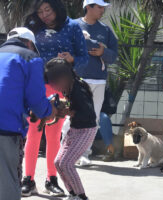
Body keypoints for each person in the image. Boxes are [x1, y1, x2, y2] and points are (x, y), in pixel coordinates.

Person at [22, 0, 88, 197]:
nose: (44, 15)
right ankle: (28, 179)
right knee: (33, 131)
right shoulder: (34, 26)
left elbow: (84, 59)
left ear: (56, 8)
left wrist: (71, 60)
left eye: (47, 10)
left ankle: (52, 179)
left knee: (53, 134)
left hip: (61, 86)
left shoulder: (73, 27)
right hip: (36, 85)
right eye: (40, 11)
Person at [0, 27, 57, 200]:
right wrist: (50, 110)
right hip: (7, 127)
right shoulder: (30, 57)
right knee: (9, 181)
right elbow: (36, 100)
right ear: (30, 43)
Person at [45, 58, 97, 200]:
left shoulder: (78, 90)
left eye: (55, 81)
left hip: (86, 130)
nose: (54, 85)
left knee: (66, 163)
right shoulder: (71, 87)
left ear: (63, 77)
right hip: (76, 128)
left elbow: (88, 114)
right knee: (58, 163)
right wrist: (66, 110)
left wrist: (67, 112)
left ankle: (81, 196)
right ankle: (73, 193)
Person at [74, 0, 118, 165]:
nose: (102, 11)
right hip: (77, 79)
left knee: (93, 119)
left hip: (99, 81)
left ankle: (85, 153)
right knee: (71, 116)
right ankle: (68, 151)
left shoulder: (105, 30)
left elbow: (114, 55)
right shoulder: (73, 26)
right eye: (99, 7)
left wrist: (103, 52)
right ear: (88, 7)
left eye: (103, 8)